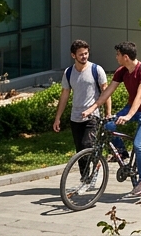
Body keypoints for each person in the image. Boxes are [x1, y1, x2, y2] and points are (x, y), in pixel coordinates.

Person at [81, 42, 141, 198]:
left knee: (139, 145)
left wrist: (128, 116)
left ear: (125, 57)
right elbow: (108, 92)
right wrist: (92, 108)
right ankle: (122, 154)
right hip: (132, 107)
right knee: (108, 126)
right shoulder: (122, 71)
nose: (116, 57)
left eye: (117, 54)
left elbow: (140, 96)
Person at [52, 39, 111, 188]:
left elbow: (106, 92)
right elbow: (65, 95)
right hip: (75, 117)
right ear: (73, 55)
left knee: (87, 145)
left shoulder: (96, 70)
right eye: (81, 54)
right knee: (80, 151)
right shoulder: (69, 72)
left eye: (86, 53)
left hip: (93, 116)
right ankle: (85, 179)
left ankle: (95, 172)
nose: (84, 56)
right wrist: (57, 117)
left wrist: (108, 113)